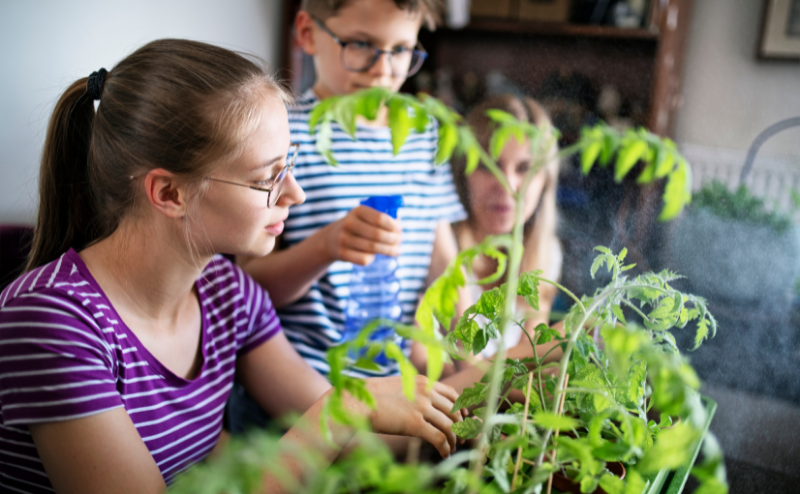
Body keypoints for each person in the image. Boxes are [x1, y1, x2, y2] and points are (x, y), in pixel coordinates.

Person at [0, 39, 465, 494]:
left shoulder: (228, 293)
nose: (294, 194)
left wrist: (495, 379)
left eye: (291, 165)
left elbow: (366, 443)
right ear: (169, 194)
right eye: (268, 177)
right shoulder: (50, 321)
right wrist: (340, 409)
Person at [239, 0, 465, 379]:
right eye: (360, 44)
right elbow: (247, 287)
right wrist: (326, 247)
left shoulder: (424, 133)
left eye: (401, 50)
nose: (382, 70)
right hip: (305, 385)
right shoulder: (283, 133)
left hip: (400, 385)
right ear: (308, 33)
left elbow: (444, 268)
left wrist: (477, 362)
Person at [450, 94, 564, 360]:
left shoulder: (546, 254)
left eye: (525, 167)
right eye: (488, 165)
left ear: (546, 181)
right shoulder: (442, 249)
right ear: (462, 172)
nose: (506, 185)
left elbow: (529, 363)